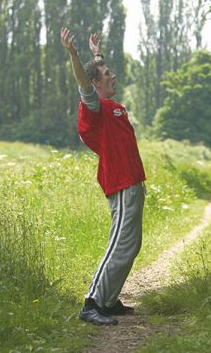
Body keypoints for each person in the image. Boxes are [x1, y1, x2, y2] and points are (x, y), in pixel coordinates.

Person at [61, 28, 146, 325]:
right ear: (96, 83)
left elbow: (95, 74)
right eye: (107, 73)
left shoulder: (112, 107)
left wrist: (96, 53)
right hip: (120, 182)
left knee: (131, 244)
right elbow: (86, 85)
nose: (114, 76)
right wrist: (74, 54)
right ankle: (92, 302)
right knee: (119, 244)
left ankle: (108, 301)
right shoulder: (92, 109)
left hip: (132, 181)